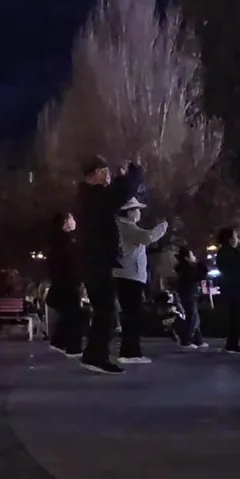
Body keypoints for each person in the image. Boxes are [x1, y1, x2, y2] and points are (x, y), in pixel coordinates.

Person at [76, 156, 145, 375]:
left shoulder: (88, 196)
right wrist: (135, 173)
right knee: (105, 310)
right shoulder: (94, 196)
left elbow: (114, 194)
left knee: (103, 310)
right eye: (106, 173)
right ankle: (97, 356)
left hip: (95, 260)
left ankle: (94, 354)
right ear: (96, 173)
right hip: (97, 261)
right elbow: (119, 193)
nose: (109, 178)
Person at [113, 197, 169, 363]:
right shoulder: (126, 227)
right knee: (133, 315)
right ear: (128, 212)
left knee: (131, 314)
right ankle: (130, 353)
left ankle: (130, 351)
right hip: (130, 275)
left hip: (128, 274)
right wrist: (163, 226)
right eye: (136, 209)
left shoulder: (123, 226)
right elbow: (148, 237)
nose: (138, 213)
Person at [46, 212, 85, 356]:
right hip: (68, 283)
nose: (74, 220)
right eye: (71, 218)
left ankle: (59, 341)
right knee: (74, 315)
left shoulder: (59, 241)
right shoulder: (66, 242)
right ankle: (72, 347)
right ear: (65, 223)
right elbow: (71, 263)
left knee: (70, 315)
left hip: (64, 283)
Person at [214, 227, 240, 353]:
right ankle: (233, 343)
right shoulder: (232, 253)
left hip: (229, 286)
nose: (237, 239)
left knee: (234, 315)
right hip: (235, 286)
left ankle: (232, 342)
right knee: (236, 316)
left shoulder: (222, 252)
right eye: (235, 236)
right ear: (229, 239)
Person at [172, 246, 208, 348]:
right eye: (192, 255)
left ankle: (197, 340)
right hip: (189, 294)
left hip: (185, 293)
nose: (194, 257)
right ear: (187, 257)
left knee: (193, 317)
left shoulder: (181, 268)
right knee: (191, 318)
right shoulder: (189, 267)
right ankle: (186, 341)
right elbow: (200, 276)